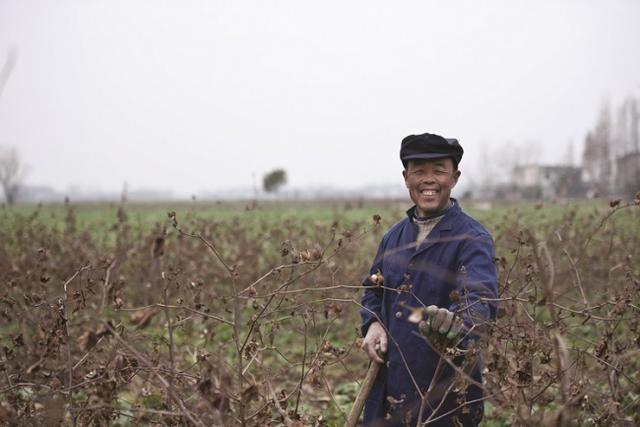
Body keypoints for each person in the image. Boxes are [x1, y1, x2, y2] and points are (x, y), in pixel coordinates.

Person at [360, 132, 498, 426]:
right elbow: (373, 289)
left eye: (439, 171)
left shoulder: (471, 238)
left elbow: (481, 300)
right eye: (419, 171)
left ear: (455, 177)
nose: (429, 180)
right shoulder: (393, 237)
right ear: (406, 177)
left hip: (444, 394)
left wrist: (458, 324)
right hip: (389, 386)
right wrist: (372, 323)